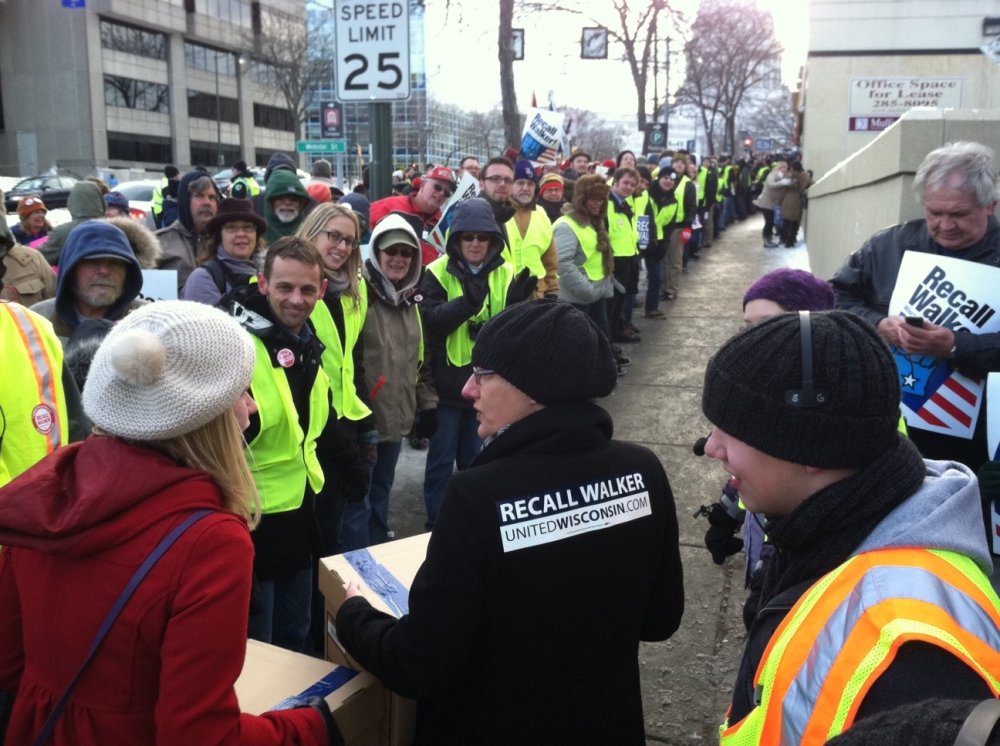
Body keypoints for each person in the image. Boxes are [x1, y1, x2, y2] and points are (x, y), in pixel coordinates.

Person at [334, 299, 684, 745]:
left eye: (483, 375)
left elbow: (418, 663)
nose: (467, 390)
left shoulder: (477, 495)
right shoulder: (643, 470)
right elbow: (660, 620)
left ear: (534, 388)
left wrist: (352, 615)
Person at [0, 301, 342, 745]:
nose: (252, 407)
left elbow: (8, 659)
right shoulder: (210, 541)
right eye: (242, 390)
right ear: (203, 416)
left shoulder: (45, 494)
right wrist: (309, 729)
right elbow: (201, 735)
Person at [701, 310, 1000, 745]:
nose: (711, 447)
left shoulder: (907, 657)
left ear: (810, 446)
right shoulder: (832, 521)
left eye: (731, 431)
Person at [831, 141, 1000, 476]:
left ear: (990, 206)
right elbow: (834, 297)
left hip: (981, 441)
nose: (945, 225)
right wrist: (878, 325)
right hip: (892, 420)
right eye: (935, 213)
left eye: (958, 214)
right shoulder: (889, 245)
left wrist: (955, 345)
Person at [227, 237, 347, 653]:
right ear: (263, 284)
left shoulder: (306, 340)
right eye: (284, 288)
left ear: (322, 291)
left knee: (296, 637)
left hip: (300, 514)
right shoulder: (235, 345)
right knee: (259, 648)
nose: (296, 300)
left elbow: (315, 419)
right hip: (250, 522)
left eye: (307, 290)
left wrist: (348, 465)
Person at [699, 269, 835, 590]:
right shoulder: (765, 386)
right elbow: (751, 465)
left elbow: (822, 508)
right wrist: (725, 514)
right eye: (748, 326)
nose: (752, 338)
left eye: (768, 324)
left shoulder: (830, 406)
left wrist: (775, 563)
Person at [418, 198, 535, 530]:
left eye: (481, 237)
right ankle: (437, 527)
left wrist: (516, 308)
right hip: (446, 389)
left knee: (479, 462)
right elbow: (432, 321)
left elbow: (519, 329)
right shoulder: (436, 271)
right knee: (440, 465)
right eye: (467, 236)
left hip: (490, 389)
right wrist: (467, 305)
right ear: (456, 239)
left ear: (493, 240)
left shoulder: (508, 272)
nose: (474, 243)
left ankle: (474, 526)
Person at [296, 204, 376, 553]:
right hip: (304, 428)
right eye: (334, 236)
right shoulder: (292, 290)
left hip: (343, 426)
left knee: (332, 529)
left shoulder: (354, 291)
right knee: (308, 534)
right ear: (312, 232)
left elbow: (352, 364)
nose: (342, 247)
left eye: (350, 241)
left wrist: (366, 421)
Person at [355, 214, 438, 544]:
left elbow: (419, 363)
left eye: (406, 253)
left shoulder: (411, 302)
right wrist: (361, 420)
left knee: (381, 489)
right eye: (391, 252)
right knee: (358, 498)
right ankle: (358, 555)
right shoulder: (360, 295)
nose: (398, 259)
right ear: (376, 253)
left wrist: (426, 404)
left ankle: (376, 540)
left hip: (396, 419)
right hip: (366, 421)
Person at [31, 221, 145, 340]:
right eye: (93, 262)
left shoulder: (151, 320)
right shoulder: (38, 318)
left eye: (115, 263)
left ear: (128, 272)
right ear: (71, 269)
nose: (104, 271)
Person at [554, 173, 614, 337]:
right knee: (580, 344)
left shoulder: (594, 222)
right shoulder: (566, 225)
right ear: (581, 199)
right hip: (577, 297)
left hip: (594, 293)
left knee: (599, 339)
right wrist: (587, 291)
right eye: (593, 199)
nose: (598, 203)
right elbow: (563, 264)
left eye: (601, 199)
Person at [182, 198, 266, 307]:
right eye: (231, 227)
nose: (241, 234)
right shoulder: (203, 279)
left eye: (248, 227)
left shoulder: (267, 274)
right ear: (219, 236)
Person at [369, 165, 456, 266]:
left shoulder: (444, 224)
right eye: (437, 187)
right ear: (423, 185)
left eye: (447, 193)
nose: (441, 193)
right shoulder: (390, 207)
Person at [156, 171, 222, 294]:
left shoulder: (224, 241)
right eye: (199, 196)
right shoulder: (160, 242)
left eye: (212, 197)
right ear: (185, 201)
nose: (207, 202)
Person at [503, 159, 559, 299]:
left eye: (530, 184)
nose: (526, 188)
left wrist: (552, 290)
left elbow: (550, 258)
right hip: (504, 292)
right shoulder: (499, 211)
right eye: (520, 183)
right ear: (511, 185)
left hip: (536, 292)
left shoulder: (541, 213)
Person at [0, 193, 56, 307]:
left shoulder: (51, 233)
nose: (41, 215)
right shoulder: (16, 234)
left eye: (42, 212)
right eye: (36, 212)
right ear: (26, 217)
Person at [40, 181, 107, 266]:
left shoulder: (63, 233)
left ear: (72, 201)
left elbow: (37, 259)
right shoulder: (116, 229)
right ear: (100, 200)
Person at [264, 169, 312, 245]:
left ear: (301, 204)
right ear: (270, 202)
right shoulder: (258, 232)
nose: (287, 203)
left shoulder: (311, 231)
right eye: (280, 198)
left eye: (294, 199)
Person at [752, 159, 790, 248]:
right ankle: (766, 239)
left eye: (786, 168)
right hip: (766, 202)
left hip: (772, 203)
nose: (786, 169)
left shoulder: (782, 177)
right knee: (769, 222)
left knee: (771, 221)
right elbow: (771, 184)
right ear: (780, 168)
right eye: (784, 167)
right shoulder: (772, 175)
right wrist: (782, 183)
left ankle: (768, 238)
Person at [779, 161, 811, 247]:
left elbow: (784, 186)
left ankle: (786, 240)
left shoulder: (791, 177)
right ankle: (790, 241)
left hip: (788, 201)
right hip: (796, 202)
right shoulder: (804, 176)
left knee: (787, 223)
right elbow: (808, 184)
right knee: (793, 224)